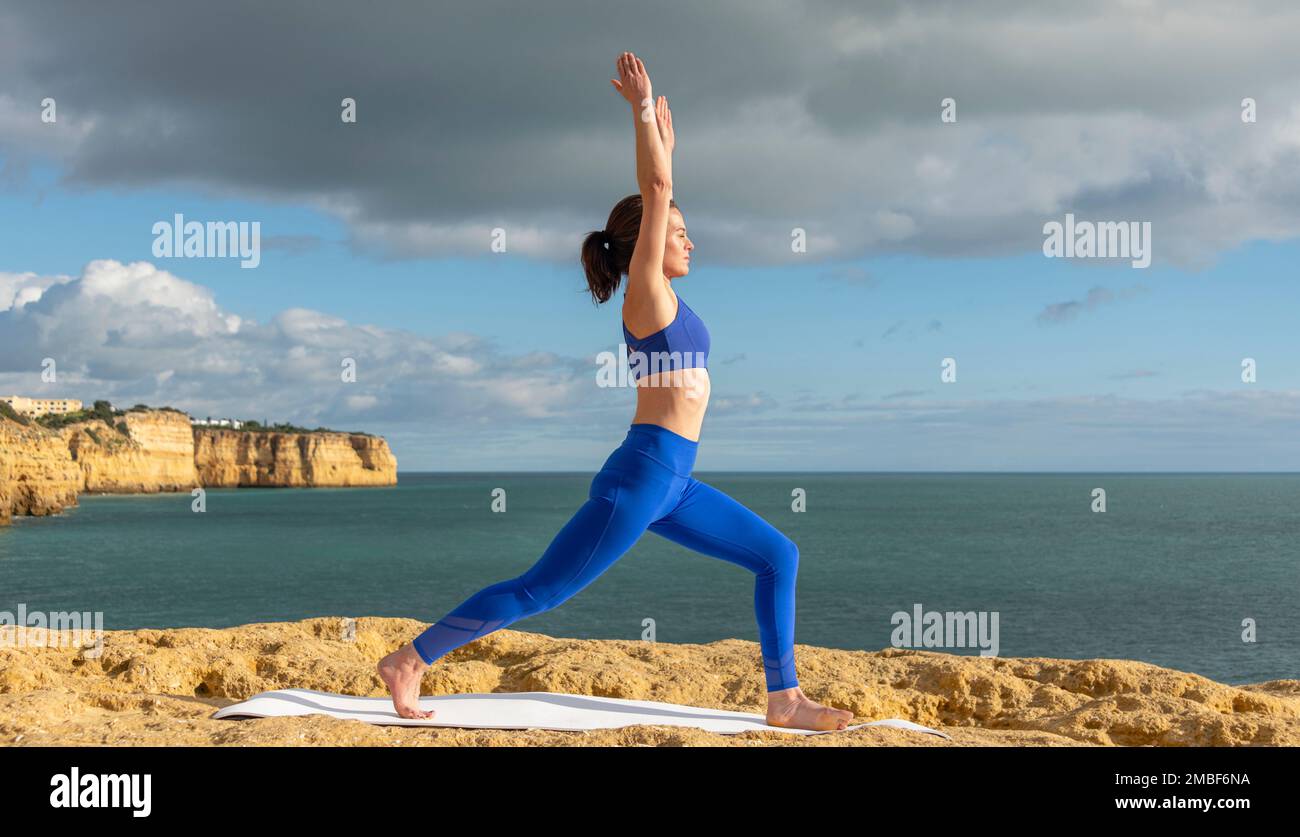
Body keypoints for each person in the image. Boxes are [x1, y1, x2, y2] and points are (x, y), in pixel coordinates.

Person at [379, 51, 853, 731]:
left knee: (779, 554)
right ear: (646, 246)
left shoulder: (668, 301)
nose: (691, 243)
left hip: (676, 482)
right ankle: (411, 659)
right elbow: (657, 188)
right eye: (680, 234)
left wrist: (665, 140)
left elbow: (664, 187)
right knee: (540, 589)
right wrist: (642, 114)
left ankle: (785, 699)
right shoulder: (646, 297)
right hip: (640, 479)